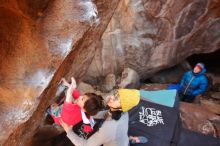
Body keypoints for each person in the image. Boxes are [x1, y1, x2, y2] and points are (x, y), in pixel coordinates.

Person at [60, 89, 148, 146]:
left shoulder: (108, 129)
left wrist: (69, 131)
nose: (112, 97)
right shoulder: (124, 112)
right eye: (116, 94)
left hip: (113, 136)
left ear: (122, 107)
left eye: (117, 99)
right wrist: (88, 111)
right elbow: (106, 114)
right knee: (121, 140)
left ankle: (131, 140)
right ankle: (130, 140)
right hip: (121, 139)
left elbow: (85, 145)